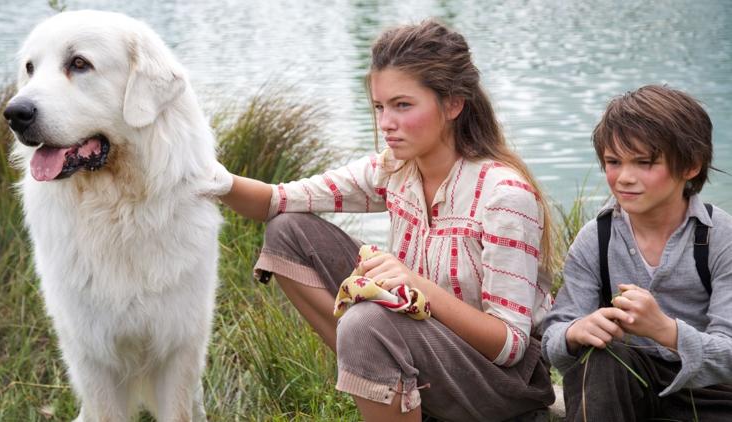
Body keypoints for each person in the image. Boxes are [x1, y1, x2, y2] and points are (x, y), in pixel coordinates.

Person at [214, 20, 555, 421]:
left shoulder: (504, 196)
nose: (385, 123)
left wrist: (413, 284)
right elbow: (276, 201)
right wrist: (207, 178)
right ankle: (381, 376)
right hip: (428, 344)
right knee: (288, 230)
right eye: (379, 106)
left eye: (403, 105)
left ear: (453, 104)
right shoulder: (395, 169)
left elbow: (510, 344)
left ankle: (378, 363)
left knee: (367, 321)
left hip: (502, 385)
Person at [541, 85, 732, 421]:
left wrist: (665, 330)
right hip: (623, 387)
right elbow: (554, 337)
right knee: (600, 357)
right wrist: (575, 332)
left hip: (711, 393)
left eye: (644, 163)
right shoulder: (595, 239)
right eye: (614, 162)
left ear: (690, 166)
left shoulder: (720, 238)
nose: (624, 178)